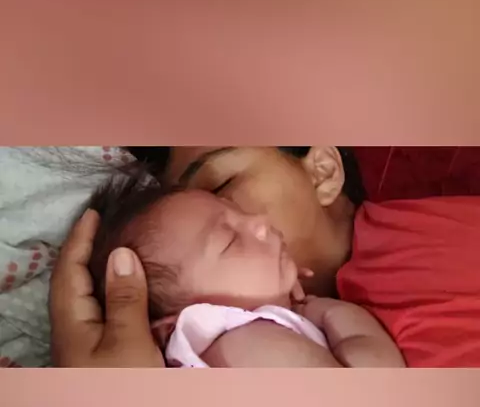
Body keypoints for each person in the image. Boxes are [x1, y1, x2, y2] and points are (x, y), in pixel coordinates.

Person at [124, 146, 480, 368]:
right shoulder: (233, 346)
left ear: (322, 173)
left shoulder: (434, 237)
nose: (257, 223)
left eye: (221, 188)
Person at [87, 176, 404, 367]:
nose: (261, 222)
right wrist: (326, 311)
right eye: (230, 240)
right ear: (173, 327)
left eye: (239, 212)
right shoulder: (243, 343)